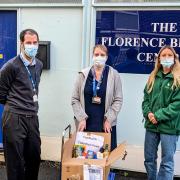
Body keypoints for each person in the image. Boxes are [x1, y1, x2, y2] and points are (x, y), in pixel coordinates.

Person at [0, 29, 43, 180]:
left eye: (35, 43)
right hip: (14, 118)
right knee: (15, 162)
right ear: (22, 44)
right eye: (28, 43)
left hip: (32, 117)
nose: (32, 46)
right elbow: (1, 93)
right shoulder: (10, 66)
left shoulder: (39, 64)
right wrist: (16, 105)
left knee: (34, 158)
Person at [71, 44, 123, 151]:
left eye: (102, 55)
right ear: (92, 56)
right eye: (96, 54)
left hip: (105, 124)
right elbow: (74, 99)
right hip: (86, 124)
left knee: (105, 156)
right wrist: (81, 118)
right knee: (85, 156)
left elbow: (118, 99)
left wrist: (109, 119)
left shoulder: (114, 75)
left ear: (107, 57)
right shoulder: (83, 74)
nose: (99, 57)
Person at [142, 45, 180, 180]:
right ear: (158, 59)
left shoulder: (178, 79)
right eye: (163, 55)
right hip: (151, 126)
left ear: (175, 58)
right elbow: (145, 99)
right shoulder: (153, 77)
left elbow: (177, 104)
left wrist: (157, 115)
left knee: (167, 163)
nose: (166, 58)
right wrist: (149, 114)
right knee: (149, 159)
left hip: (169, 127)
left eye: (169, 55)